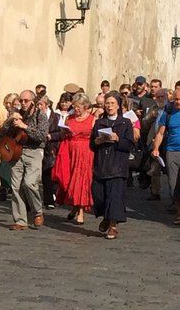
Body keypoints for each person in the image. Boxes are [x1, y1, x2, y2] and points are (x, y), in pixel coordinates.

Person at [0, 90, 49, 230]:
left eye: (26, 100)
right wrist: (10, 120)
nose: (23, 103)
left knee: (29, 183)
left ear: (33, 101)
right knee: (15, 187)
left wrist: (25, 126)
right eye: (21, 100)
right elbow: (3, 132)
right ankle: (20, 220)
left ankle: (38, 211)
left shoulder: (41, 116)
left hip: (33, 151)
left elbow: (41, 136)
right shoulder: (17, 113)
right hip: (16, 151)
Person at [90, 91, 135, 240]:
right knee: (100, 196)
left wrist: (117, 139)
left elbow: (129, 144)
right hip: (101, 164)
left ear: (118, 105)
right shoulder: (99, 123)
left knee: (115, 197)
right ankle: (107, 217)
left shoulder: (125, 123)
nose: (109, 106)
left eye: (112, 103)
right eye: (107, 103)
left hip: (117, 165)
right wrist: (96, 142)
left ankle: (113, 226)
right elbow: (92, 143)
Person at [53, 93, 94, 225]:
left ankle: (80, 211)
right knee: (71, 180)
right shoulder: (69, 118)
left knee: (82, 180)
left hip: (85, 152)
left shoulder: (92, 119)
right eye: (75, 106)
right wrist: (65, 132)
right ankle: (75, 206)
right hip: (70, 152)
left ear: (85, 106)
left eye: (79, 106)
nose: (76, 109)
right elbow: (63, 134)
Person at [151, 88, 180, 222]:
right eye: (176, 99)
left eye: (179, 100)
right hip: (172, 151)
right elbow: (161, 133)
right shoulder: (168, 111)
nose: (177, 102)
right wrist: (156, 147)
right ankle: (179, 212)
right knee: (173, 183)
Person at [38, 94, 57, 209]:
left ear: (47, 104)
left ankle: (49, 199)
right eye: (38, 104)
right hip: (37, 147)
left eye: (41, 104)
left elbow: (62, 132)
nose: (39, 106)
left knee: (47, 175)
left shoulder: (56, 117)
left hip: (50, 148)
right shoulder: (36, 115)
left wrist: (52, 136)